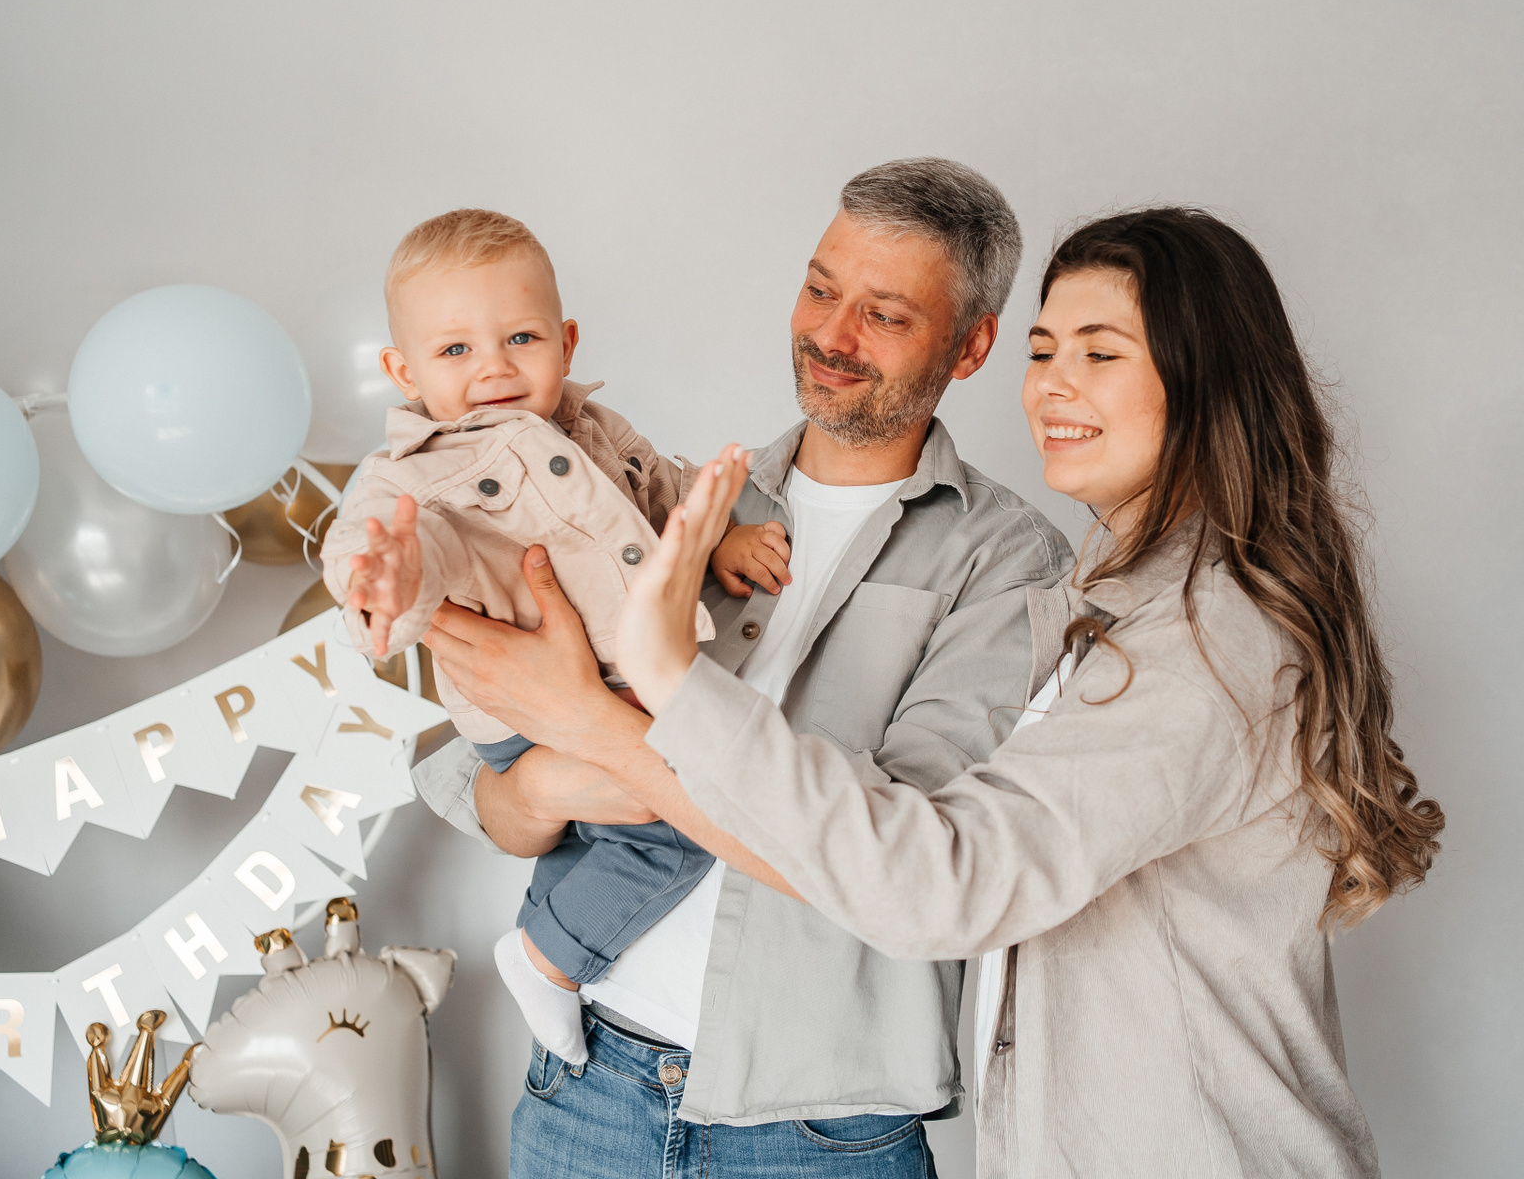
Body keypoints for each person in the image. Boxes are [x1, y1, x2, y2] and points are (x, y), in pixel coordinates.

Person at [443, 207, 1448, 1177]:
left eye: (1100, 353)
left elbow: (928, 873)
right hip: (590, 1073)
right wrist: (540, 775)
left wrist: (613, 715)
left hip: (852, 1133)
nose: (1054, 385)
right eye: (1046, 352)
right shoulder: (693, 506)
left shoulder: (1165, 624)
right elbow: (489, 780)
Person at [416, 160, 1073, 1176]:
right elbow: (497, 799)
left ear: (972, 344)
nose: (832, 335)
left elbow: (902, 867)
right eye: (819, 288)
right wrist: (544, 777)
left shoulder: (1009, 562)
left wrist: (592, 724)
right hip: (586, 1087)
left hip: (824, 1132)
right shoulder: (668, 505)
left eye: (885, 315)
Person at [320, 208, 786, 1066]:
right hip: (523, 708)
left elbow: (661, 491)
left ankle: (552, 920)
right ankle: (547, 958)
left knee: (628, 817)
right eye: (455, 349)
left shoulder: (592, 430)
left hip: (614, 685)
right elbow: (405, 541)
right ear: (404, 372)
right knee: (683, 825)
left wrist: (718, 537)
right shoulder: (415, 476)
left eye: (521, 338)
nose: (494, 367)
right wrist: (382, 581)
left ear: (565, 343)